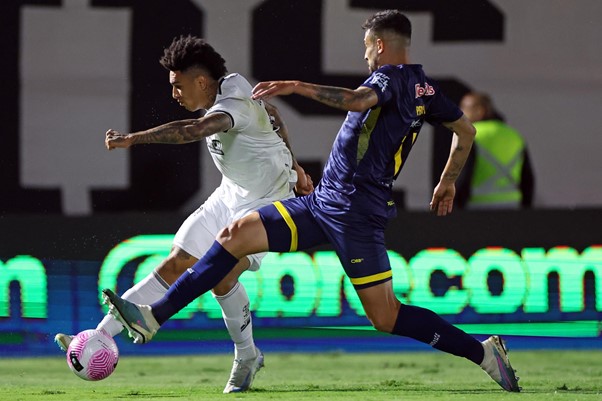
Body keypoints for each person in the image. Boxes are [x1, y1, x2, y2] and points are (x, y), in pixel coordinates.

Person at [102, 10, 521, 393]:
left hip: (355, 215)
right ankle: (153, 317)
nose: (365, 58)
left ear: (379, 44)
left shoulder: (389, 79)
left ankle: (483, 353)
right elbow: (465, 131)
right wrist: (447, 181)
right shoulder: (425, 88)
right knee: (233, 236)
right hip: (324, 202)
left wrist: (296, 86)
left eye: (366, 48)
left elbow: (357, 101)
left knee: (386, 317)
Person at [55, 35, 313, 393]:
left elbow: (193, 131)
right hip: (229, 196)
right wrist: (296, 164)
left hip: (267, 204)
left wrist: (134, 139)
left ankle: (246, 355)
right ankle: (97, 338)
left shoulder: (231, 102)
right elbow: (272, 114)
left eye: (178, 86)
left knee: (222, 276)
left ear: (201, 82)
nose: (174, 94)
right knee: (176, 262)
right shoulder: (237, 90)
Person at [456, 91, 534, 209]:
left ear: (480, 111)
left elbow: (463, 176)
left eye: (465, 108)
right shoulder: (514, 135)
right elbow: (528, 178)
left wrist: (456, 206)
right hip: (512, 206)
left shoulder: (469, 135)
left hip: (477, 207)